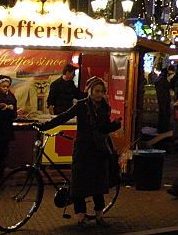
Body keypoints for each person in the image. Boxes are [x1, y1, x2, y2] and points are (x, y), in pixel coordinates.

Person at [39, 76, 121, 225]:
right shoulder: (81, 105)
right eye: (97, 91)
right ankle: (80, 216)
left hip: (99, 150)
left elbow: (104, 128)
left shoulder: (104, 106)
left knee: (98, 184)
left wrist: (115, 125)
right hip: (83, 149)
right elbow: (63, 117)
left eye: (102, 91)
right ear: (90, 91)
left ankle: (99, 215)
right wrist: (44, 126)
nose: (99, 94)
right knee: (79, 184)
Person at [0, 75, 20, 190]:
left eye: (7, 86)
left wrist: (11, 109)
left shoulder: (11, 97)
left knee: (3, 157)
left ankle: (0, 181)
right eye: (3, 86)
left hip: (6, 130)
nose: (6, 88)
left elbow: (14, 115)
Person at [153, 68, 171, 134]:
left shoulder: (158, 79)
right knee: (165, 114)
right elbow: (169, 86)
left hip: (160, 98)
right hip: (164, 99)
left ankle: (160, 128)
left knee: (161, 114)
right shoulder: (163, 80)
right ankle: (163, 129)